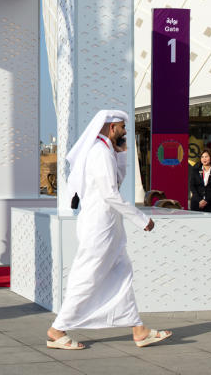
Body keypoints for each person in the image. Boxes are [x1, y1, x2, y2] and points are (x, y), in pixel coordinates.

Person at [46, 110, 172, 350]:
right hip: (99, 227)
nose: (125, 131)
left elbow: (117, 181)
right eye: (122, 127)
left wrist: (122, 153)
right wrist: (141, 218)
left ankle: (139, 330)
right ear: (112, 127)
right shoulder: (99, 152)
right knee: (87, 277)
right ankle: (57, 328)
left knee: (123, 273)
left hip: (109, 227)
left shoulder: (107, 151)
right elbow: (110, 194)